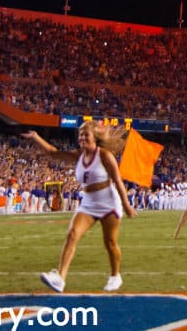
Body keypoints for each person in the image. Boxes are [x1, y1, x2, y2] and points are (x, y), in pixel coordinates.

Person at [25, 122, 136, 293]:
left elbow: (118, 181)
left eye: (86, 135)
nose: (82, 137)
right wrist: (36, 137)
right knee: (72, 234)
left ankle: (115, 276)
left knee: (110, 243)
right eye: (80, 134)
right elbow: (52, 153)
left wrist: (127, 205)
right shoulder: (78, 155)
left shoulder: (105, 155)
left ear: (95, 138)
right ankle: (60, 279)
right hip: (89, 202)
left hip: (109, 202)